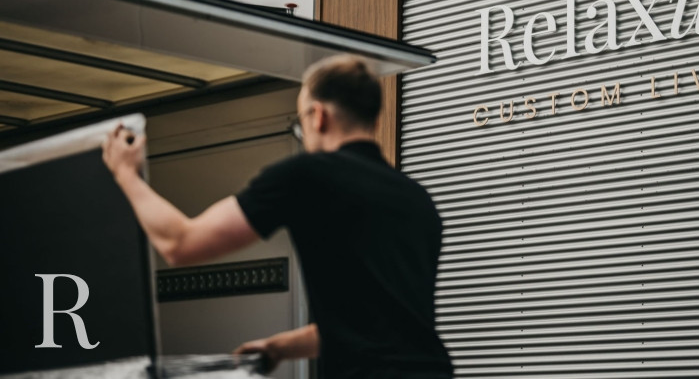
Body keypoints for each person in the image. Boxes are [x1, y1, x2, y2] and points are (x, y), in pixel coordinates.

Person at [102, 55, 453, 378]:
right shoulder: (417, 200)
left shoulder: (308, 175)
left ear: (318, 116)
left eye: (300, 124)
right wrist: (278, 347)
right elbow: (372, 324)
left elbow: (180, 243)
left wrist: (126, 175)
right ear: (374, 119)